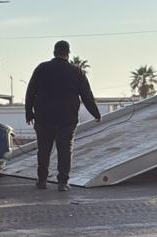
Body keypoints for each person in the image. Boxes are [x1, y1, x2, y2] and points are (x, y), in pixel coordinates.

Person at [24, 40, 102, 191]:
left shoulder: (41, 68)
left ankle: (41, 180)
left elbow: (30, 91)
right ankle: (62, 182)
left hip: (43, 117)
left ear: (54, 52)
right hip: (67, 119)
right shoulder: (76, 71)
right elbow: (87, 95)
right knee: (65, 150)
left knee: (44, 149)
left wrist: (29, 112)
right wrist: (96, 113)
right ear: (68, 53)